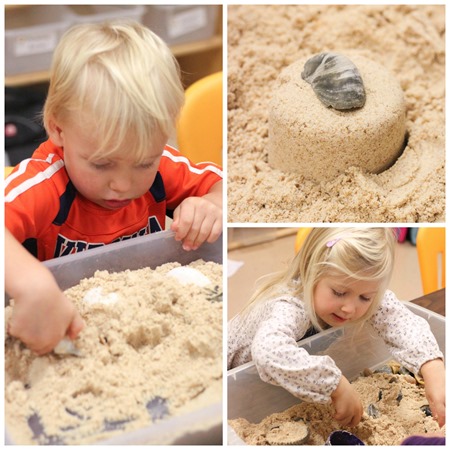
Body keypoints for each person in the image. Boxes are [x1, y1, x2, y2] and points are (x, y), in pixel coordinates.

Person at [5, 21, 222, 356]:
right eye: (101, 164)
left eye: (143, 163)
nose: (123, 185)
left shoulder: (163, 166)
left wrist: (212, 203)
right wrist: (31, 283)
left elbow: (228, 188)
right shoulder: (43, 184)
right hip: (66, 333)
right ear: (57, 129)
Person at [228, 228, 445, 429]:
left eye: (365, 297)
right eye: (339, 293)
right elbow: (268, 352)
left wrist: (432, 367)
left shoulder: (360, 289)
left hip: (275, 383)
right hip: (229, 382)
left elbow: (400, 321)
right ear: (310, 273)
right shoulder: (289, 305)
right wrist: (335, 384)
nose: (349, 308)